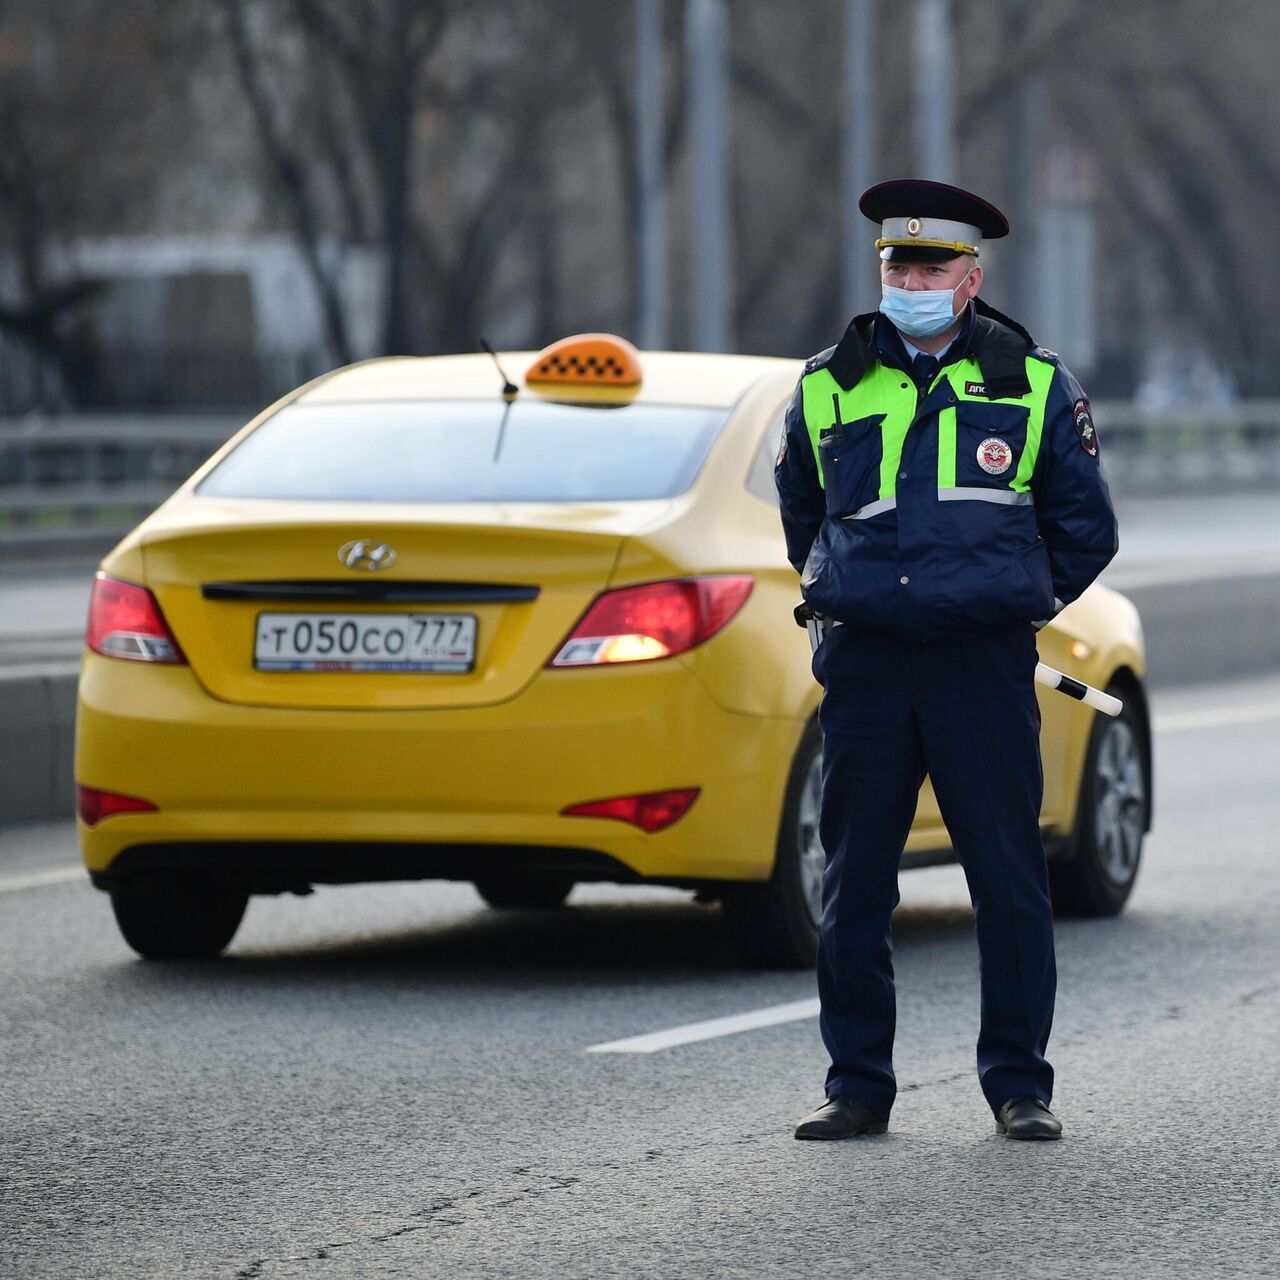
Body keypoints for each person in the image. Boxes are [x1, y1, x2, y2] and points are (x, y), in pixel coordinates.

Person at [776, 179, 1118, 1141]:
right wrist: (843, 607)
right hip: (871, 669)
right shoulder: (828, 381)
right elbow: (804, 515)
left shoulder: (1034, 382)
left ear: (972, 277)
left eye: (930, 266)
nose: (911, 279)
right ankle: (856, 1086)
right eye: (897, 264)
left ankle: (1019, 1085)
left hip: (980, 665)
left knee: (1007, 881)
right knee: (853, 887)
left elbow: (1085, 530)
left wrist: (1008, 603)